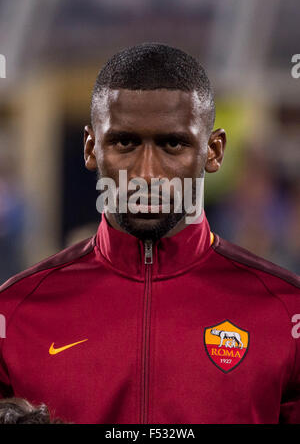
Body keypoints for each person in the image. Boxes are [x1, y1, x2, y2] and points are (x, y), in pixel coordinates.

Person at [0, 43, 299, 424]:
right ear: (92, 148)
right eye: (125, 142)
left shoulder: (288, 313)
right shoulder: (13, 315)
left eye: (172, 144)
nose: (147, 173)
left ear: (214, 150)